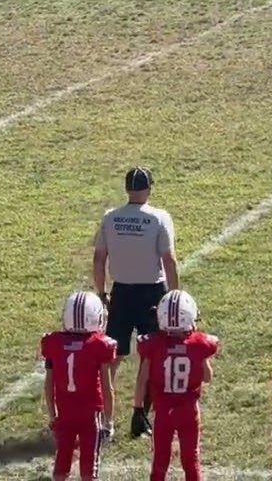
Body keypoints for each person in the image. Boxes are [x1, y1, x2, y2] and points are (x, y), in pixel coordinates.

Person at [92, 166, 179, 393]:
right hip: (152, 293)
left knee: (113, 354)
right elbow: (169, 260)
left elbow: (99, 258)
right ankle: (143, 406)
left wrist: (101, 293)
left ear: (127, 189)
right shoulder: (159, 217)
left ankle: (103, 404)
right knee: (153, 354)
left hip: (121, 291)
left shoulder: (111, 217)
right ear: (149, 189)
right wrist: (175, 296)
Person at [132, 290, 219, 481]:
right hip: (189, 410)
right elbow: (207, 377)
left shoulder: (153, 344)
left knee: (160, 460)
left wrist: (138, 408)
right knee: (191, 460)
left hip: (163, 411)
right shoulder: (198, 344)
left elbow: (142, 379)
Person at [40, 291, 116, 481]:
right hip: (89, 414)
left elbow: (48, 384)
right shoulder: (99, 345)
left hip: (64, 412)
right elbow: (107, 387)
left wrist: (52, 414)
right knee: (89, 468)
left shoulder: (54, 343)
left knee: (62, 463)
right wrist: (109, 420)